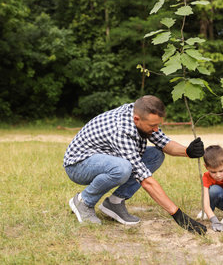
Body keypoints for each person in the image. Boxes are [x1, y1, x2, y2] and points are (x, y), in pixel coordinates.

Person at [63, 95, 207, 234]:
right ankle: (84, 202)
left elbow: (165, 143)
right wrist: (177, 214)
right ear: (136, 119)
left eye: (158, 125)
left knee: (155, 155)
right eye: (153, 125)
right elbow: (145, 180)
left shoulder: (141, 116)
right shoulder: (122, 130)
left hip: (103, 158)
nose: (156, 129)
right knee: (122, 168)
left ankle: (114, 203)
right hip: (78, 165)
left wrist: (188, 151)